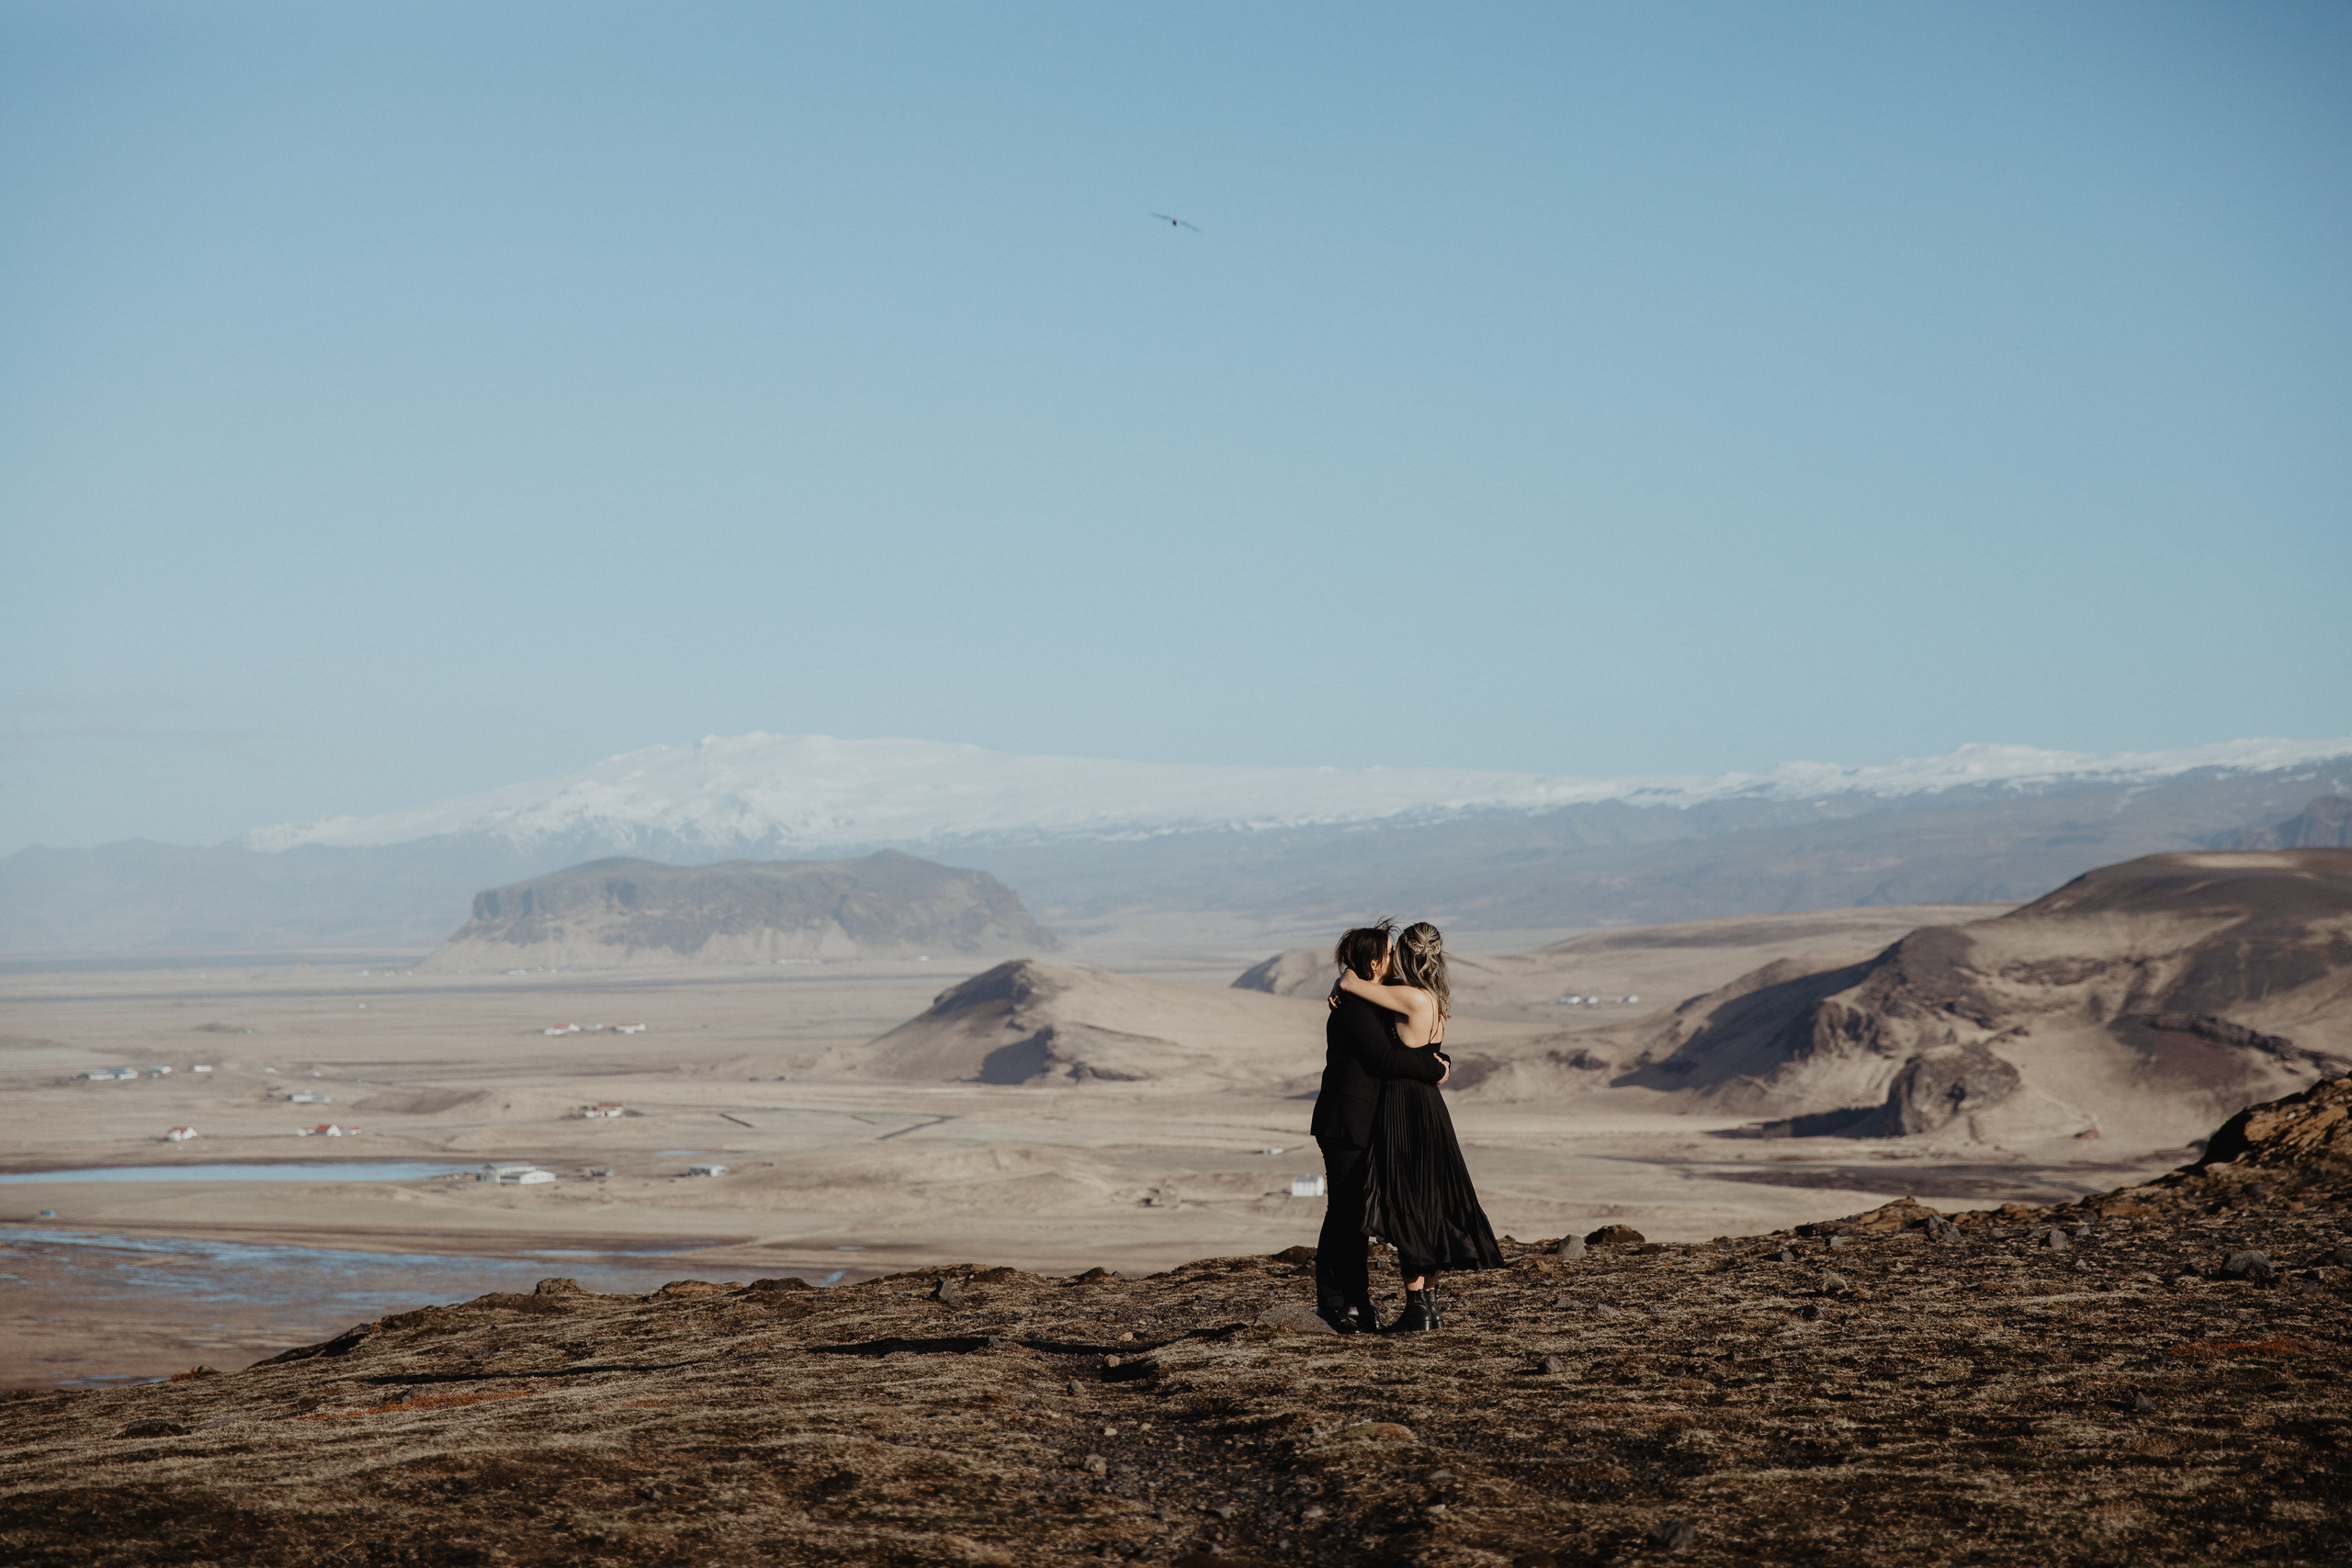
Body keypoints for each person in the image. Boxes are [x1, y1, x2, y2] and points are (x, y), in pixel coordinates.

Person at [1331, 919, 1503, 1331]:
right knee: (1435, 1200)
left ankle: (1415, 1309)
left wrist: (1343, 981)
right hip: (1432, 1106)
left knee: (1408, 1202)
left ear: (1406, 955)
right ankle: (1429, 1305)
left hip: (1403, 1107)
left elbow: (1352, 984)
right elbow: (1430, 1051)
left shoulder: (1406, 996)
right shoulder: (1437, 999)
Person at [1310, 919, 1450, 1334]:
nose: (1395, 959)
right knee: (1344, 1214)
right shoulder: (1353, 1010)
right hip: (1346, 1124)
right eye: (1389, 954)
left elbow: (1410, 1039)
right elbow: (1387, 1061)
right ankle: (1336, 1305)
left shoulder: (1370, 999)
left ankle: (1359, 1305)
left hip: (1366, 1123)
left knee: (1356, 1215)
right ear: (1374, 961)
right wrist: (1434, 1066)